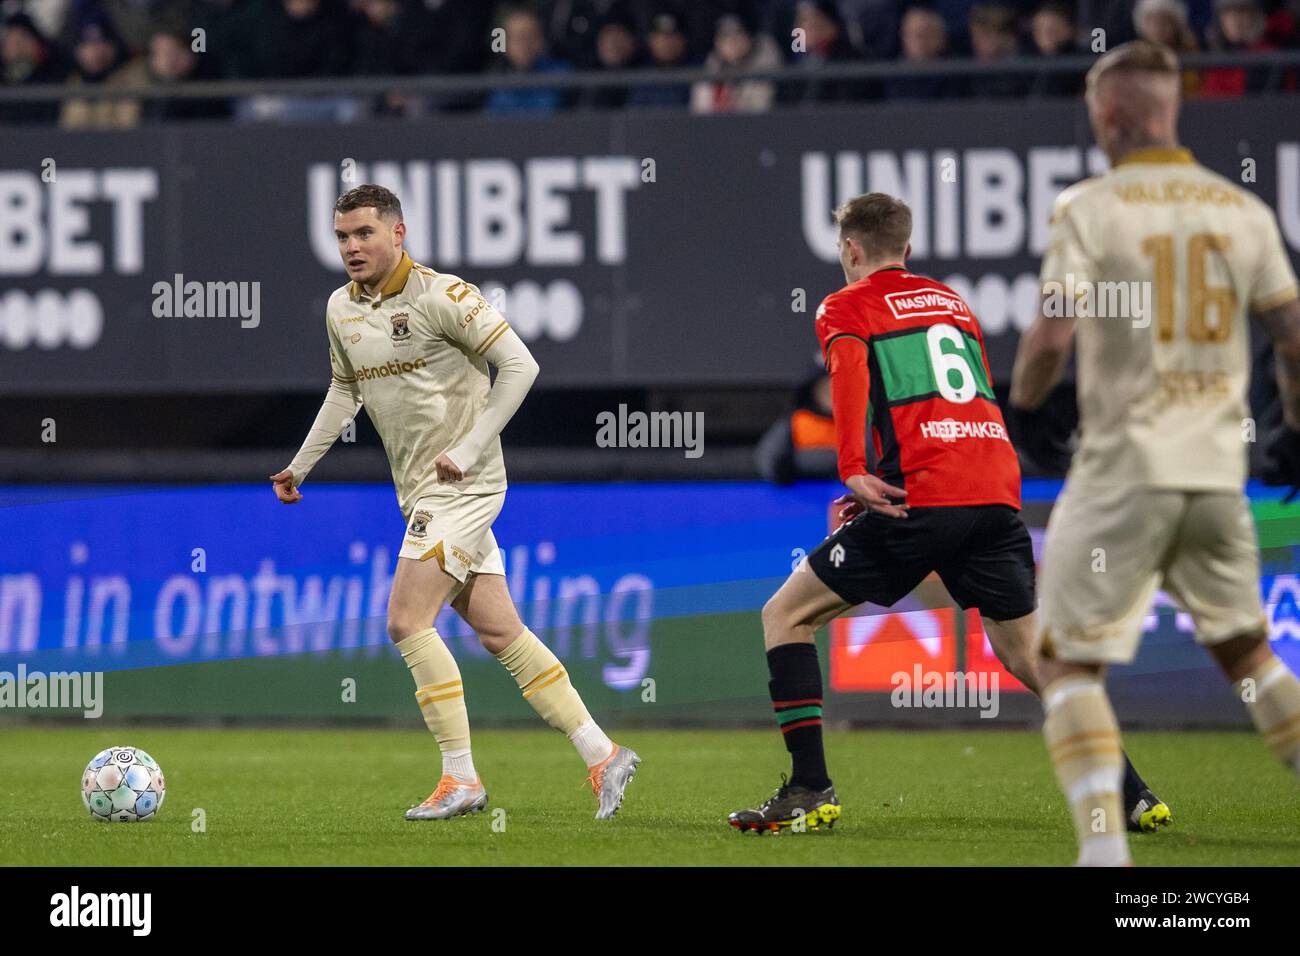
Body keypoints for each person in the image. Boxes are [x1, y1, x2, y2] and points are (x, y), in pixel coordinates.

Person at [728, 191, 1167, 833]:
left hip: (925, 498)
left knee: (786, 615)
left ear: (850, 249)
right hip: (993, 491)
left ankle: (808, 787)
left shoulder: (844, 306)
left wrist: (853, 466)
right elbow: (951, 402)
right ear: (906, 248)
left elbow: (849, 380)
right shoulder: (954, 304)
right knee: (1028, 655)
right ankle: (1132, 794)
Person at [1010, 40, 1300, 866]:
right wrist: (1297, 433)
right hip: (1215, 476)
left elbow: (1049, 337)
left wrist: (1025, 411)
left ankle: (1104, 855)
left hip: (1122, 474)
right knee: (1249, 657)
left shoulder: (1090, 208)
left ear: (1110, 116)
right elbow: (1293, 337)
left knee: (1066, 663)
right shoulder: (1242, 211)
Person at [271, 184, 640, 821]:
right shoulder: (341, 309)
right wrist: (301, 465)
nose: (352, 247)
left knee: (406, 621)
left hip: (464, 487)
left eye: (364, 233)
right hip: (420, 489)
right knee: (502, 632)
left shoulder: (443, 295)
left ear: (398, 233)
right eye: (342, 236)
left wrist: (469, 449)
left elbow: (520, 366)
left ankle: (461, 778)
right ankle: (602, 751)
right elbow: (343, 389)